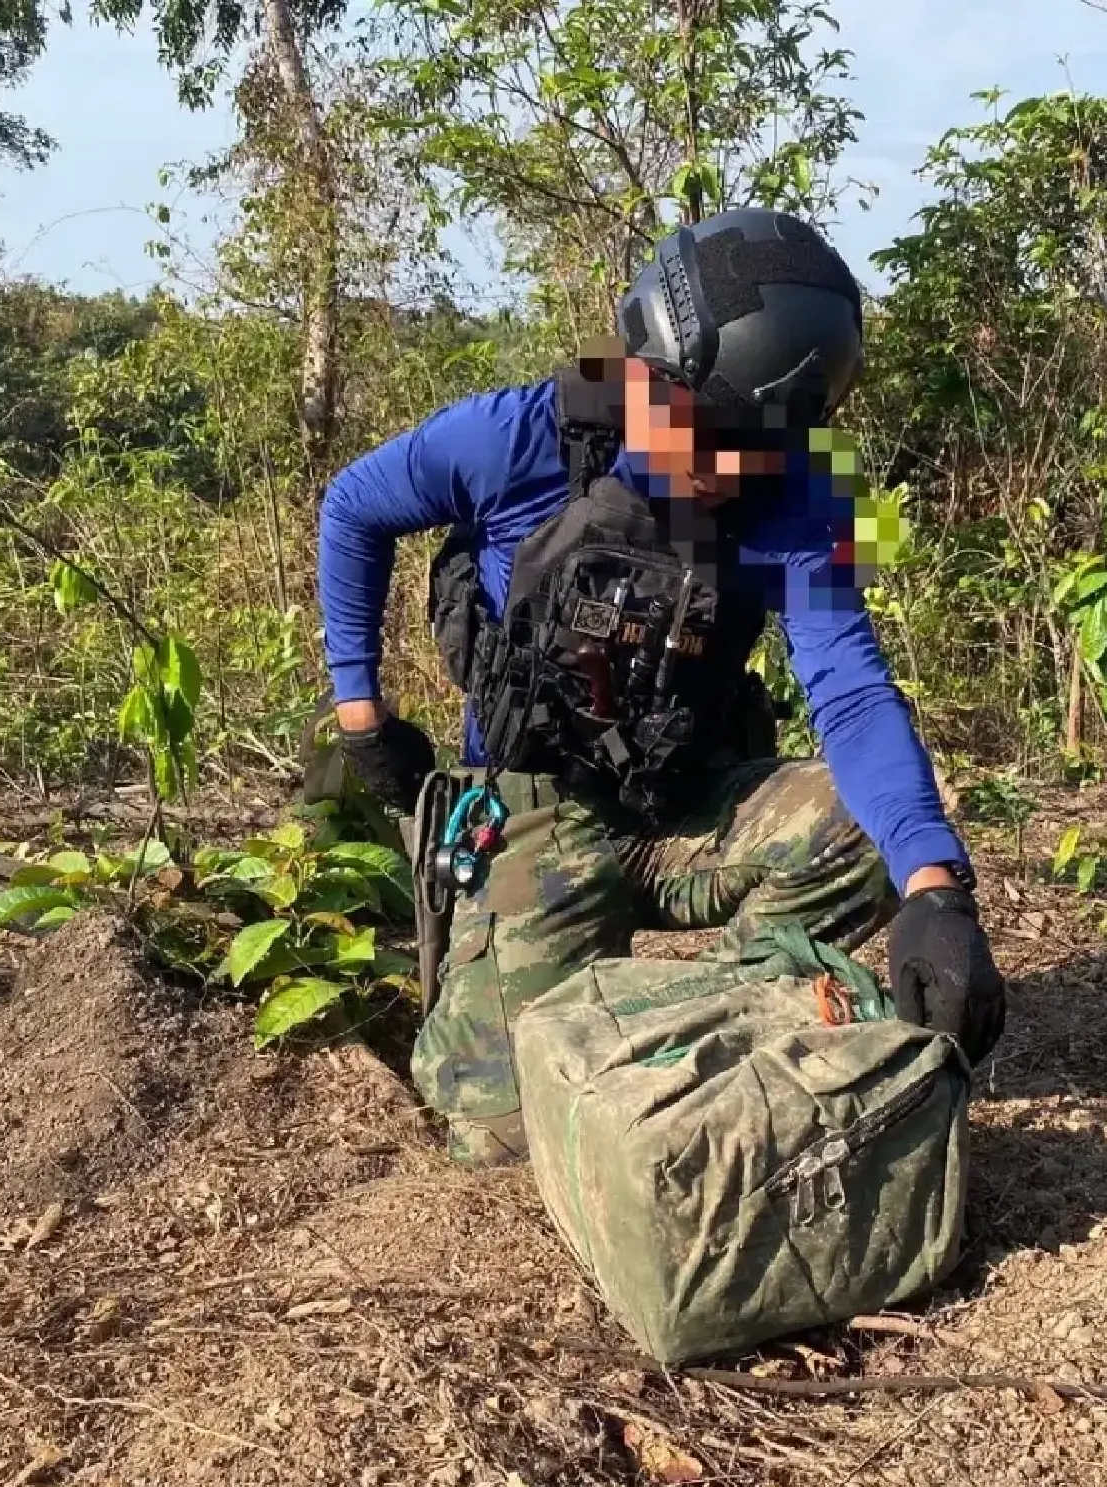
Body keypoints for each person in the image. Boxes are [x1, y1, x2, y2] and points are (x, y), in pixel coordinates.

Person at [316, 206, 1004, 1166]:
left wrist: (937, 889)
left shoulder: (809, 485)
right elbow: (351, 505)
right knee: (497, 1137)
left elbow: (848, 684)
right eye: (716, 437)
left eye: (764, 446)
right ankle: (570, 1002)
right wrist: (361, 715)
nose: (735, 471)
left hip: (691, 798)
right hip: (535, 811)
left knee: (858, 830)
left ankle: (695, 1033)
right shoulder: (515, 437)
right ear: (645, 377)